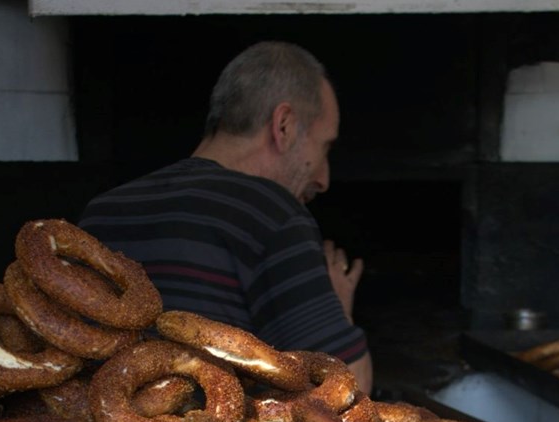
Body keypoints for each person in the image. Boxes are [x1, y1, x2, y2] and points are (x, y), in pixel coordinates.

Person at [78, 41, 373, 394]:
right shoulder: (274, 214)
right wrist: (339, 313)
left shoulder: (102, 211)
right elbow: (348, 395)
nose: (324, 178)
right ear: (284, 126)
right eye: (324, 146)